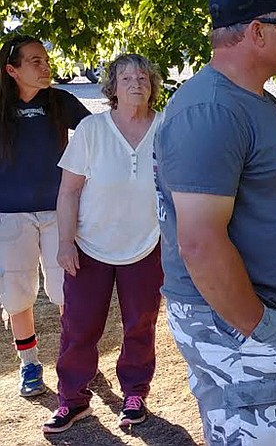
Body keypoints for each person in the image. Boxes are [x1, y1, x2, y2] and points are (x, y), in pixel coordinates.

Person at [154, 0, 276, 445]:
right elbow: (200, 244)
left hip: (262, 315)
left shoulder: (252, 101)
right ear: (257, 31)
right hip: (235, 324)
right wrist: (259, 328)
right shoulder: (209, 111)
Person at [43, 54, 166, 433]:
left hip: (147, 245)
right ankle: (73, 399)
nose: (136, 83)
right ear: (112, 87)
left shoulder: (166, 128)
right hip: (89, 246)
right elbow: (68, 192)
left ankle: (134, 395)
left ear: (153, 85)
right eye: (126, 77)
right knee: (79, 326)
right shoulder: (93, 130)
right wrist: (65, 242)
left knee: (140, 325)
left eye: (143, 76)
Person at [0, 35, 90, 398]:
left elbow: (94, 136)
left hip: (58, 211)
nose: (44, 66)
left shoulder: (59, 101)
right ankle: (30, 365)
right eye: (34, 61)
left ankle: (74, 359)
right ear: (12, 70)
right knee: (17, 294)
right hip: (9, 216)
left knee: (66, 289)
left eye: (45, 59)